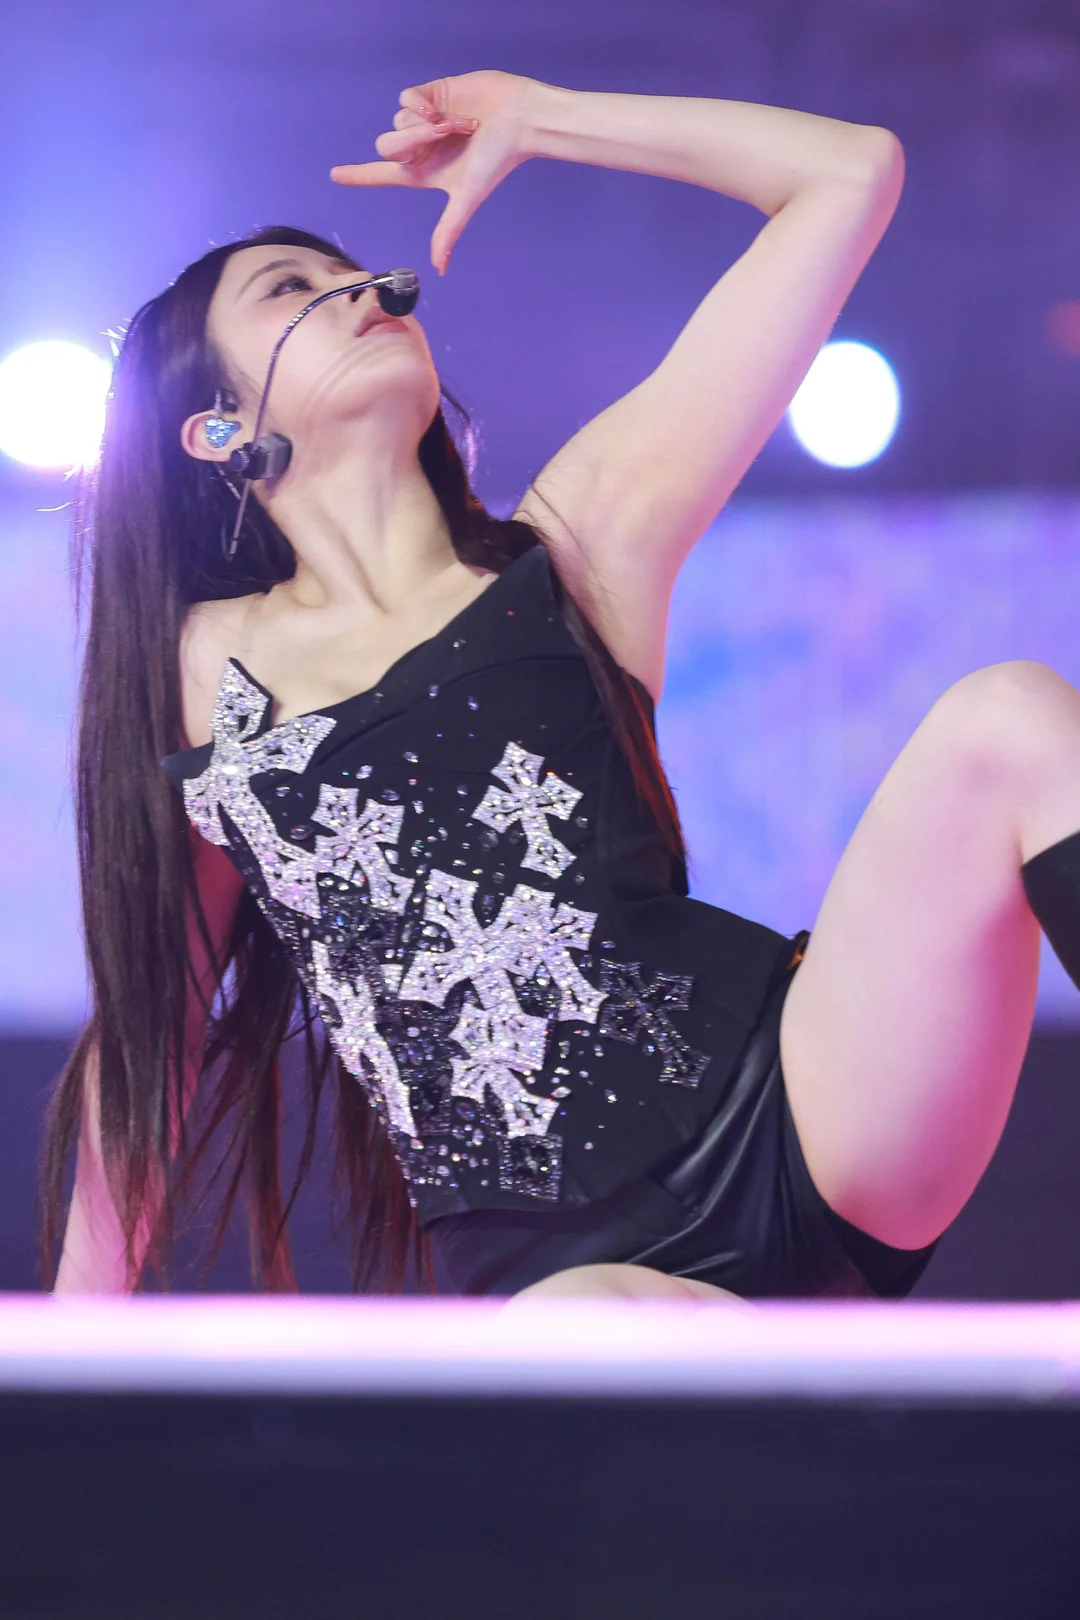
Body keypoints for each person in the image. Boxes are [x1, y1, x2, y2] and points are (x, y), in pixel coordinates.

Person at [45, 70, 1080, 1303]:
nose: (365, 291)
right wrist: (63, 1360)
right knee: (591, 1328)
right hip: (578, 1278)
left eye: (363, 274)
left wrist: (542, 121)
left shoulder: (578, 546)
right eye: (291, 289)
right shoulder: (200, 673)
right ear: (214, 427)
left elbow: (849, 173)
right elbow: (147, 1047)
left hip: (812, 1106)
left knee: (1012, 717)